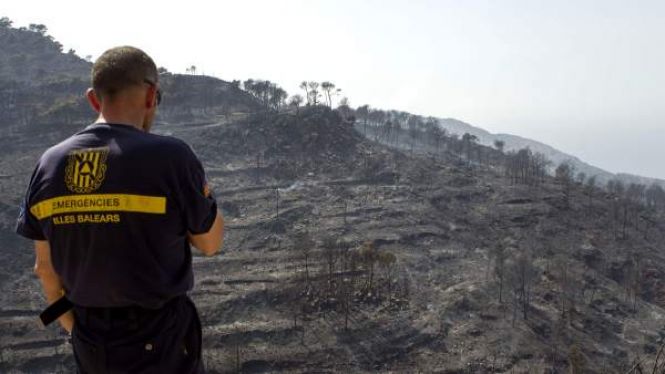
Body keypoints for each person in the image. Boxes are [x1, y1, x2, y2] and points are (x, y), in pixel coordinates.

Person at [15, 46, 224, 373]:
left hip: (91, 343)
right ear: (151, 95)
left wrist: (78, 330)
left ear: (93, 99)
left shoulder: (48, 164)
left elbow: (45, 269)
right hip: (160, 340)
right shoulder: (171, 157)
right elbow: (210, 244)